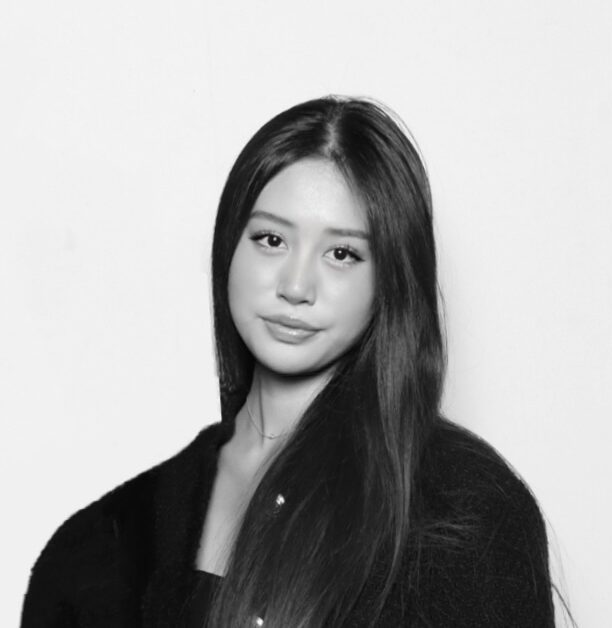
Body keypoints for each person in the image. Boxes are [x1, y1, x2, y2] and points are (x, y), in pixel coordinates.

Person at [21, 96, 556, 627]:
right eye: (271, 239)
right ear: (229, 248)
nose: (296, 286)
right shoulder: (97, 550)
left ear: (390, 280)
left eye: (342, 253)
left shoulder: (462, 508)